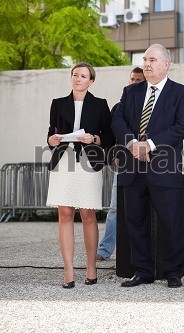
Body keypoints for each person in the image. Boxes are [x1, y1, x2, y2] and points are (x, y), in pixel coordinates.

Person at [112, 44, 184, 288]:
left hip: (164, 167)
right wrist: (134, 144)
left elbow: (181, 127)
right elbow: (118, 119)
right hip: (133, 166)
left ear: (166, 64)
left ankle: (174, 271)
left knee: (171, 221)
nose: (147, 63)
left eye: (152, 60)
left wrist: (150, 144)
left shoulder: (182, 93)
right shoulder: (131, 92)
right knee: (135, 220)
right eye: (145, 59)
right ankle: (143, 270)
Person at [46, 62, 113, 288]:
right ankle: (68, 271)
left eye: (83, 76)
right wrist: (51, 140)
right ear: (71, 78)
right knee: (64, 214)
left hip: (88, 162)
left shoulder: (101, 105)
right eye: (75, 75)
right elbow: (50, 133)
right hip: (64, 162)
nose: (78, 79)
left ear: (90, 81)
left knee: (87, 215)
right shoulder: (57, 104)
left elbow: (109, 137)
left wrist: (93, 138)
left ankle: (91, 267)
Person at [96, 67, 145, 262]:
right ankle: (105, 250)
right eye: (132, 79)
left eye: (138, 80)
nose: (133, 82)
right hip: (125, 164)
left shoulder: (153, 105)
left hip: (149, 163)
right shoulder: (119, 106)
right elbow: (112, 134)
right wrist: (115, 153)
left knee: (144, 209)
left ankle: (141, 253)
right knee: (116, 208)